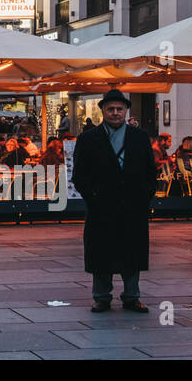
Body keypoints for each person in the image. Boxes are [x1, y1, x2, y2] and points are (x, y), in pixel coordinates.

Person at [72, 89, 156, 313]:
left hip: (133, 206)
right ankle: (101, 297)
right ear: (103, 111)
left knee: (133, 253)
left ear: (126, 111)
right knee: (101, 254)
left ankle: (132, 296)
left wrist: (144, 197)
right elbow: (79, 175)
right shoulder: (88, 138)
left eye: (119, 109)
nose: (115, 113)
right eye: (111, 109)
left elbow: (151, 172)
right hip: (102, 207)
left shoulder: (140, 137)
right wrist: (94, 197)